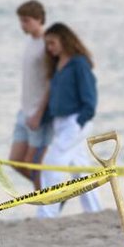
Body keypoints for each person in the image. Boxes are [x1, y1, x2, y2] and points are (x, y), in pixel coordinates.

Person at [36, 22, 102, 218]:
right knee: (80, 170)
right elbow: (57, 98)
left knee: (51, 163)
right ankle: (95, 212)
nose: (50, 48)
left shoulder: (79, 64)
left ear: (64, 40)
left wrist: (80, 121)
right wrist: (42, 118)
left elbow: (89, 97)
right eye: (47, 44)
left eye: (52, 43)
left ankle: (47, 213)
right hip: (60, 122)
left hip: (75, 121)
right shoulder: (58, 66)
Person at [10, 0, 51, 189]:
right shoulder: (30, 42)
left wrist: (39, 113)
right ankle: (52, 194)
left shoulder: (47, 44)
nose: (22, 25)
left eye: (26, 21)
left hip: (38, 113)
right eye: (20, 20)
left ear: (39, 19)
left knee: (34, 163)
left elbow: (52, 82)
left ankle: (46, 205)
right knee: (16, 161)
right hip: (24, 110)